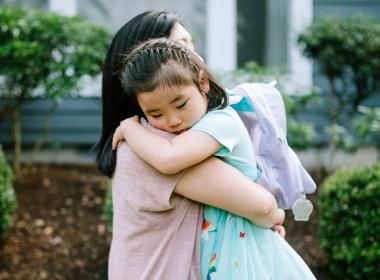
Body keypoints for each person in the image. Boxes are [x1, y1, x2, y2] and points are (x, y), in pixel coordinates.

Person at [96, 11, 285, 280]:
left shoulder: (147, 136)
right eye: (181, 47)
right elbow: (261, 206)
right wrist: (274, 218)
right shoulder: (154, 146)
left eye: (191, 45)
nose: (198, 59)